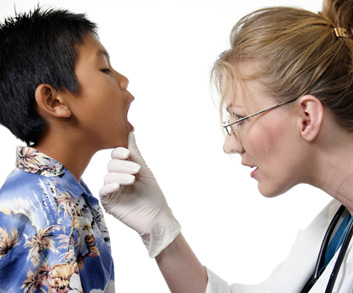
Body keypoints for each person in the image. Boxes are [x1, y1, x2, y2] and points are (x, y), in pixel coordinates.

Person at [99, 0, 353, 292]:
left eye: (242, 118)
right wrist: (160, 227)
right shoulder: (335, 226)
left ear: (307, 118)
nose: (229, 146)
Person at [0, 7, 134, 292]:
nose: (123, 81)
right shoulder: (51, 211)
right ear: (54, 100)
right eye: (105, 69)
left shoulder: (60, 194)